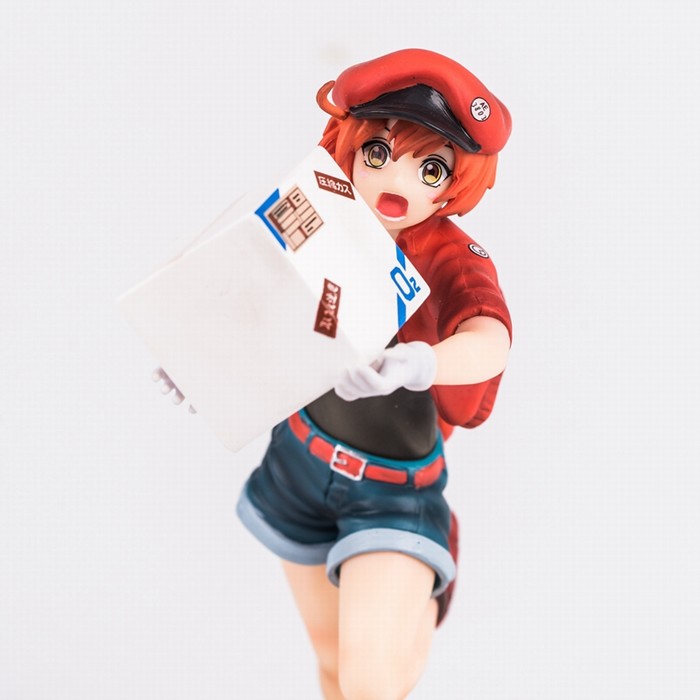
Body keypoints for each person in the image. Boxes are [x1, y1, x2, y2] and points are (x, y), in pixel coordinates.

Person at [157, 48, 512, 700]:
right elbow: (251, 296)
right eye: (378, 152)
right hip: (298, 460)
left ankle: (418, 604)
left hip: (392, 487)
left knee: (371, 680)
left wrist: (423, 361)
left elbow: (491, 338)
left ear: (455, 182)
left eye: (430, 167)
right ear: (348, 148)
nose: (397, 180)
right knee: (331, 664)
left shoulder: (448, 254)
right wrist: (199, 360)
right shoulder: (316, 211)